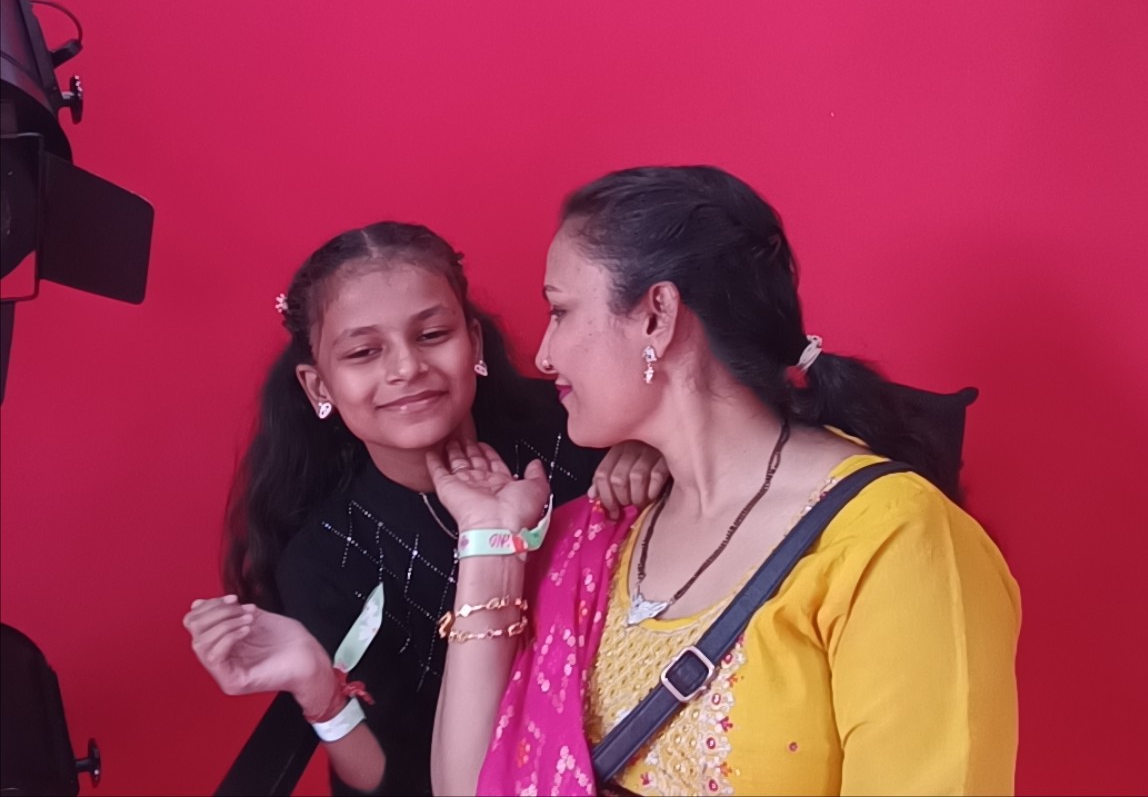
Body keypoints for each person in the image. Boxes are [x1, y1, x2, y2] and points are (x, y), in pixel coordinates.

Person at [427, 166, 1021, 797]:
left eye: (561, 311)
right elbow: (471, 786)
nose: (545, 355)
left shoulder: (894, 541)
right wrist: (488, 540)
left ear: (657, 316)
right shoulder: (605, 530)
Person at [183, 222, 667, 796]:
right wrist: (316, 686)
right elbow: (399, 782)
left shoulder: (580, 428)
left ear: (474, 343)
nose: (406, 368)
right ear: (319, 387)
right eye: (364, 352)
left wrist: (655, 443)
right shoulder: (326, 558)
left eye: (432, 335)